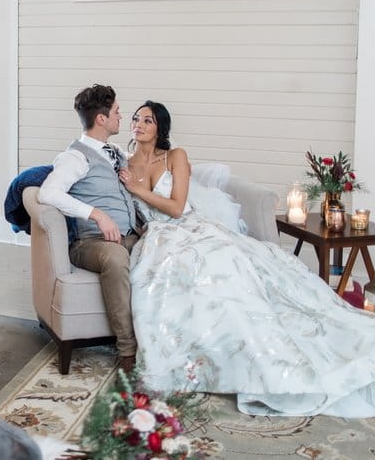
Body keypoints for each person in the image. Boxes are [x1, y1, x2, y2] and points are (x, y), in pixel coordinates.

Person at [119, 100, 375, 417]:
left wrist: (137, 189)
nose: (139, 124)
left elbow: (176, 206)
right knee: (163, 277)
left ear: (161, 128)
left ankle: (268, 349)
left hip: (190, 226)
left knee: (225, 261)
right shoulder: (126, 164)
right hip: (158, 236)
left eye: (148, 119)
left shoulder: (175, 156)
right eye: (136, 119)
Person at [38, 84, 139, 373]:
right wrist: (96, 214)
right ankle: (127, 351)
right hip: (91, 243)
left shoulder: (115, 152)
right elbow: (49, 193)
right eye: (117, 112)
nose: (122, 117)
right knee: (116, 258)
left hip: (128, 235)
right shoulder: (75, 157)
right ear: (102, 119)